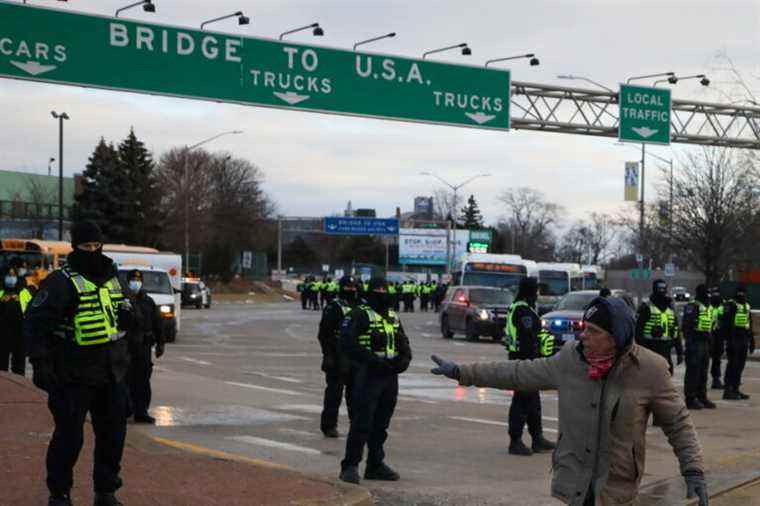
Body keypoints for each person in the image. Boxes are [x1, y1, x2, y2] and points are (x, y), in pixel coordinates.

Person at [431, 296, 708, 506]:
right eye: (583, 328)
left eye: (593, 331)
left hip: (617, 487)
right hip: (574, 481)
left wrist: (693, 470)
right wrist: (462, 372)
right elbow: (518, 372)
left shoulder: (649, 369)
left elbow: (678, 423)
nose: (582, 336)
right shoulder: (570, 360)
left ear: (615, 337)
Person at [24, 221, 132, 506]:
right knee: (69, 437)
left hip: (111, 372)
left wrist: (136, 321)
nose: (93, 251)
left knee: (113, 436)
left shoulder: (114, 277)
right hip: (73, 373)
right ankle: (59, 493)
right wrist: (40, 361)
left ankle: (105, 491)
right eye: (87, 247)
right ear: (76, 247)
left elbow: (127, 313)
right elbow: (34, 324)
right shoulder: (60, 282)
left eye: (98, 246)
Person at [338, 277, 412, 485]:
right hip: (368, 374)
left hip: (389, 376)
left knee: (381, 424)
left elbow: (403, 341)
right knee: (362, 422)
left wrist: (403, 360)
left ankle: (375, 464)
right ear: (370, 291)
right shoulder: (360, 314)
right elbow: (347, 342)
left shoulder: (392, 316)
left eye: (383, 289)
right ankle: (350, 465)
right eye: (377, 289)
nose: (381, 292)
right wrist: (371, 360)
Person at [503, 277, 555, 456]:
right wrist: (539, 351)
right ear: (530, 291)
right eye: (536, 290)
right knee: (522, 400)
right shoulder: (523, 311)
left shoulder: (521, 307)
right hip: (524, 360)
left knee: (533, 400)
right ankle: (515, 441)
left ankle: (537, 438)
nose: (538, 294)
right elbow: (527, 338)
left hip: (525, 359)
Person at [318, 275, 360, 437]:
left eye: (354, 287)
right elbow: (324, 333)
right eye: (348, 287)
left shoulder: (361, 305)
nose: (351, 290)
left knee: (356, 395)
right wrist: (328, 355)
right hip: (337, 357)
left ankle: (356, 424)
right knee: (334, 395)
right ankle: (329, 426)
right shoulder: (334, 306)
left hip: (356, 357)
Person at [125, 269, 165, 424]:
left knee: (142, 381)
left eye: (138, 279)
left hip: (143, 348)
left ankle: (141, 412)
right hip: (126, 348)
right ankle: (125, 410)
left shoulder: (148, 301)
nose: (136, 282)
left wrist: (161, 343)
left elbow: (158, 323)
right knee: (125, 380)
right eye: (133, 279)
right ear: (128, 282)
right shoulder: (123, 299)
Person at [635, 279, 683, 375]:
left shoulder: (671, 308)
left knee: (667, 375)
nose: (661, 291)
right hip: (649, 348)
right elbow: (638, 331)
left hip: (666, 349)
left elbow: (676, 331)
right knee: (650, 377)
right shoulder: (646, 307)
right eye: (659, 288)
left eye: (663, 288)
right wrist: (642, 350)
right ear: (654, 289)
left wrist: (679, 351)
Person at [681, 285, 716, 410]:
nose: (709, 295)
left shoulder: (709, 307)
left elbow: (710, 326)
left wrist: (710, 340)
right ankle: (690, 398)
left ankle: (702, 396)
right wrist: (693, 338)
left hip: (705, 343)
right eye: (706, 293)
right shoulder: (692, 306)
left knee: (703, 371)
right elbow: (686, 327)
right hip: (694, 343)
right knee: (693, 371)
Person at [721, 285, 754, 400]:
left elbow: (749, 323)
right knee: (732, 364)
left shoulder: (746, 306)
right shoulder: (731, 304)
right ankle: (727, 390)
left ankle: (735, 389)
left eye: (743, 293)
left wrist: (752, 340)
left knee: (740, 365)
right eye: (740, 293)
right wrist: (728, 339)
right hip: (733, 338)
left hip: (743, 338)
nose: (742, 295)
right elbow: (725, 324)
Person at [0, 267, 33, 375]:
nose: (10, 279)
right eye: (9, 276)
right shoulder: (1, 291)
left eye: (13, 276)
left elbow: (31, 310)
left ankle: (19, 382)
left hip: (19, 332)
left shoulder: (24, 292)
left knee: (19, 362)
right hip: (2, 332)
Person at [709, 287, 725, 389]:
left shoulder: (723, 305)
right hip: (708, 334)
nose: (716, 296)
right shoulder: (707, 305)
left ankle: (716, 379)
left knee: (717, 358)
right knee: (704, 359)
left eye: (717, 294)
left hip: (719, 334)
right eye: (714, 294)